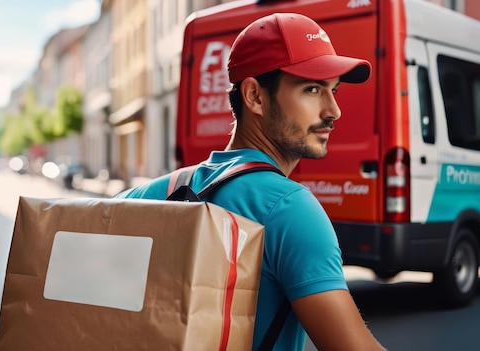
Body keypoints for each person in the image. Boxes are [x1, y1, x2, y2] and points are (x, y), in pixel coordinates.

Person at [115, 13, 387, 351]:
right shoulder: (289, 209)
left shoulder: (145, 195)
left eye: (334, 90)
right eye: (313, 89)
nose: (333, 110)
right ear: (255, 96)